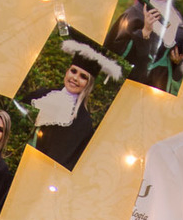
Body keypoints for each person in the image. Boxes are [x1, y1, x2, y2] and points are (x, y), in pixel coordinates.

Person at [26, 39, 122, 171]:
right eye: (73, 71)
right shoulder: (41, 95)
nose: (75, 78)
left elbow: (61, 161)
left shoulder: (83, 121)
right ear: (67, 71)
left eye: (83, 76)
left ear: (89, 84)